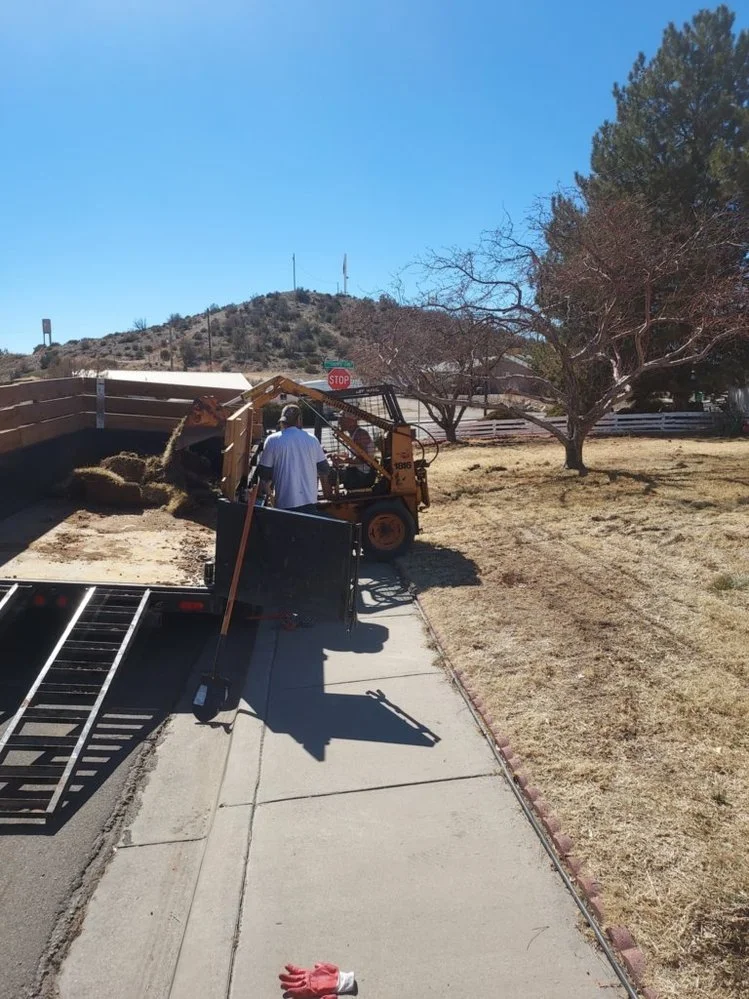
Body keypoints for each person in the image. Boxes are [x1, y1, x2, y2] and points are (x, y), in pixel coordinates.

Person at [257, 404, 332, 513]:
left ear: (282, 421)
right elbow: (324, 469)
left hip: (285, 504)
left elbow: (264, 473)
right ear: (299, 420)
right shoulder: (312, 440)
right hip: (309, 502)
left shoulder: (272, 440)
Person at [333, 414, 377, 490]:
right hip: (357, 472)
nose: (339, 422)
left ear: (351, 421)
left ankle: (330, 497)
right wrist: (338, 456)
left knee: (328, 474)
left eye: (341, 419)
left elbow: (362, 459)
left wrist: (342, 461)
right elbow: (353, 455)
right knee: (330, 470)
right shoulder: (354, 434)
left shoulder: (360, 435)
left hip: (362, 475)